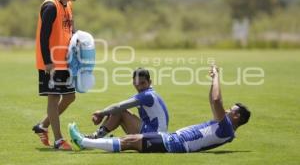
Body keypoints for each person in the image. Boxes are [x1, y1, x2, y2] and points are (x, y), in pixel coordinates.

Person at [68, 65, 251, 153]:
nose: (226, 110)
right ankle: (88, 141)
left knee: (130, 141)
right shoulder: (225, 128)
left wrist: (216, 77)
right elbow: (213, 101)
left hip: (177, 144)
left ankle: (84, 141)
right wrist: (213, 79)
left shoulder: (226, 128)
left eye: (231, 110)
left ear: (236, 116)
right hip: (173, 138)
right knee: (130, 140)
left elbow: (217, 100)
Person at [32, 0, 82, 150]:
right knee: (54, 98)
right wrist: (47, 62)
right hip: (51, 63)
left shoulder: (68, 4)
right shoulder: (50, 6)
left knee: (69, 96)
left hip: (65, 61)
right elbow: (43, 37)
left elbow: (70, 28)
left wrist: (78, 39)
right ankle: (59, 140)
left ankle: (42, 125)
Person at [84, 68, 169, 139]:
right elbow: (116, 109)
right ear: (133, 82)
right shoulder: (148, 94)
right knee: (118, 111)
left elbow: (118, 107)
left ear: (149, 82)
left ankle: (94, 138)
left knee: (120, 111)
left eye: (143, 83)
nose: (139, 87)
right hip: (156, 135)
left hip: (155, 136)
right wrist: (105, 114)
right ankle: (96, 136)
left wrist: (101, 113)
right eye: (136, 83)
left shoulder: (147, 95)